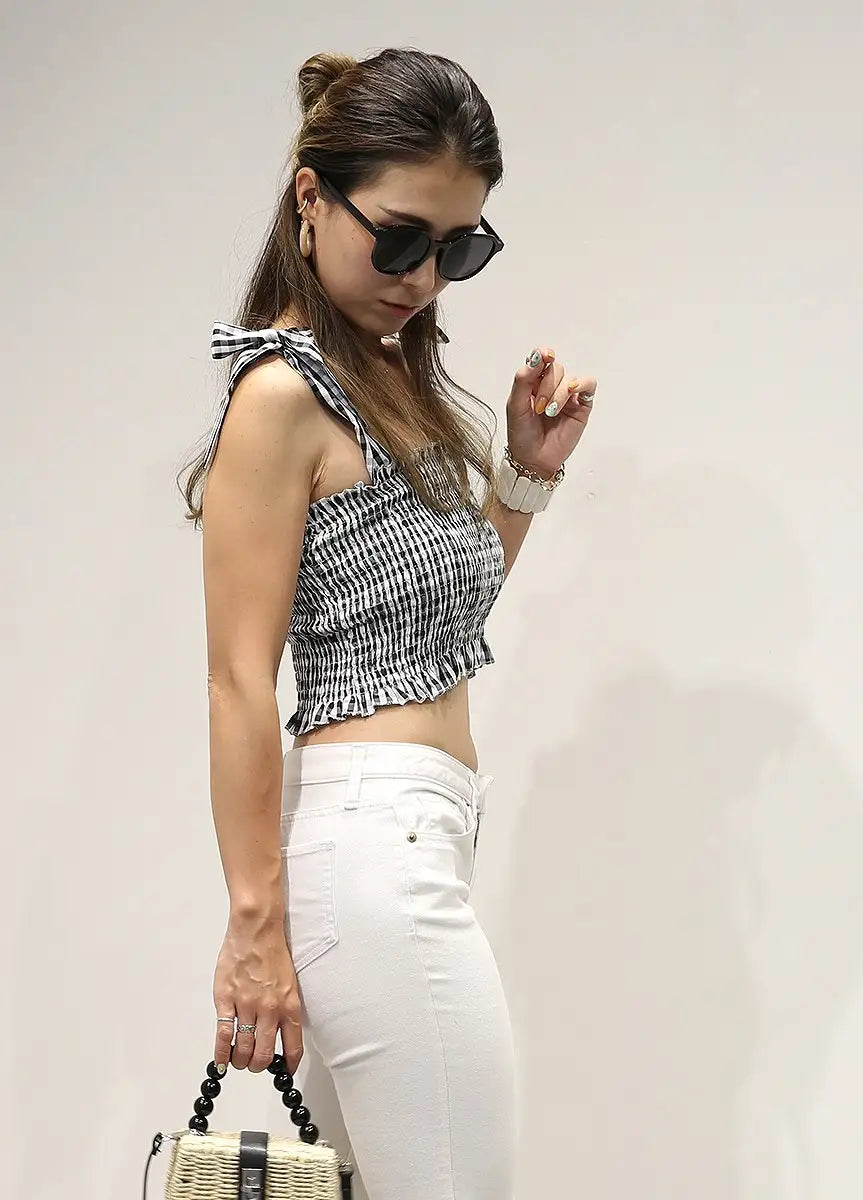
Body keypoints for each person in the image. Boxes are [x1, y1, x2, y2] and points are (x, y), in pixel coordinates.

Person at [177, 46, 596, 1200]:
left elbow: (428, 633)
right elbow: (235, 678)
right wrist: (252, 925)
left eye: (458, 249)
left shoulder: (383, 379)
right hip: (371, 854)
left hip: (412, 841)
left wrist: (523, 477)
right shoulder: (283, 395)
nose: (423, 277)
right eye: (401, 239)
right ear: (312, 198)